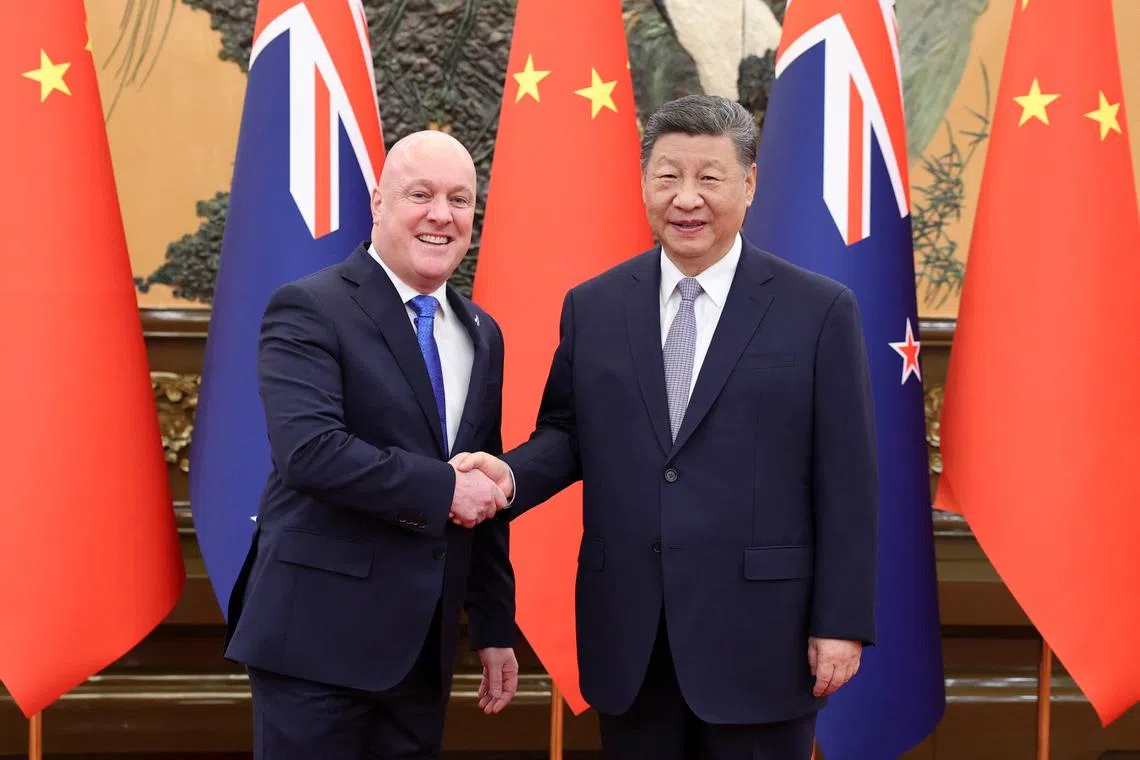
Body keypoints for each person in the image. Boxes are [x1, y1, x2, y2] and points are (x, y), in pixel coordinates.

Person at [456, 95, 878, 760]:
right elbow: (567, 434)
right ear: (644, 182)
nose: (686, 199)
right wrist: (508, 475)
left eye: (709, 178)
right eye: (668, 176)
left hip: (763, 637)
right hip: (632, 635)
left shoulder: (819, 310)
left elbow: (847, 480)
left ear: (749, 184)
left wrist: (841, 621)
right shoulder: (594, 306)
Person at [223, 130, 519, 760]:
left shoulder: (482, 332)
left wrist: (493, 623)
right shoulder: (310, 307)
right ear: (379, 203)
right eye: (421, 195)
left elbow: (483, 479)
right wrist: (445, 489)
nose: (441, 215)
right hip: (315, 645)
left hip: (422, 654)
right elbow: (310, 452)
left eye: (460, 200)